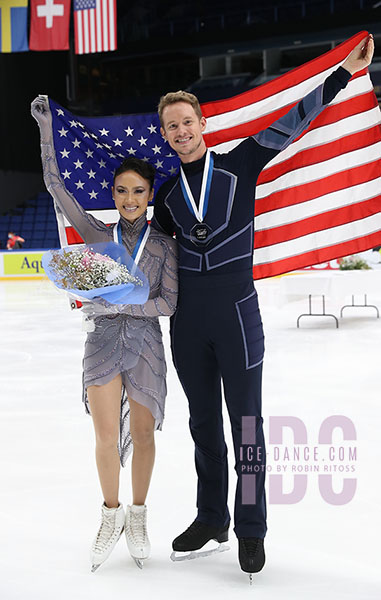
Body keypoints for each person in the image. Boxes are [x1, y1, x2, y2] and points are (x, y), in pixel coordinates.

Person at [151, 35, 374, 579]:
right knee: (203, 425)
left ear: (201, 124)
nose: (181, 132)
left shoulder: (241, 163)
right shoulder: (164, 197)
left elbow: (296, 119)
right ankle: (211, 517)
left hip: (236, 319)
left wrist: (342, 73)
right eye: (171, 127)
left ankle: (251, 529)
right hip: (187, 327)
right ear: (165, 136)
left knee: (246, 426)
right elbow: (149, 258)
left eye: (187, 121)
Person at [31, 96, 178, 572]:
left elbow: (169, 303)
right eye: (121, 191)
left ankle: (137, 515)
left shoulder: (162, 247)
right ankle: (110, 514)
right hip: (101, 345)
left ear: (149, 194)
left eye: (137, 191)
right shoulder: (98, 238)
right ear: (112, 194)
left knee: (142, 434)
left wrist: (126, 301)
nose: (129, 199)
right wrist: (45, 130)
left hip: (145, 348)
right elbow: (57, 187)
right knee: (103, 436)